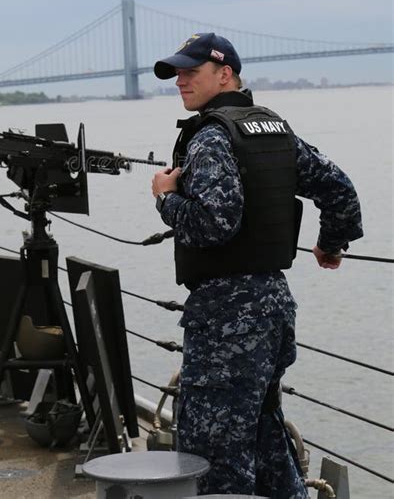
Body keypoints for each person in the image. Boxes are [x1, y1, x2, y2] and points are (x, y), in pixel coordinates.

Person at [151, 32, 363, 498]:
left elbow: (212, 224)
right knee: (266, 440)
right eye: (177, 73)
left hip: (227, 317)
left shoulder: (210, 137)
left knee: (215, 457)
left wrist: (165, 198)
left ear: (224, 74)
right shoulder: (275, 130)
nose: (181, 81)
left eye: (191, 72)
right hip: (272, 307)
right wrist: (332, 245)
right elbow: (340, 190)